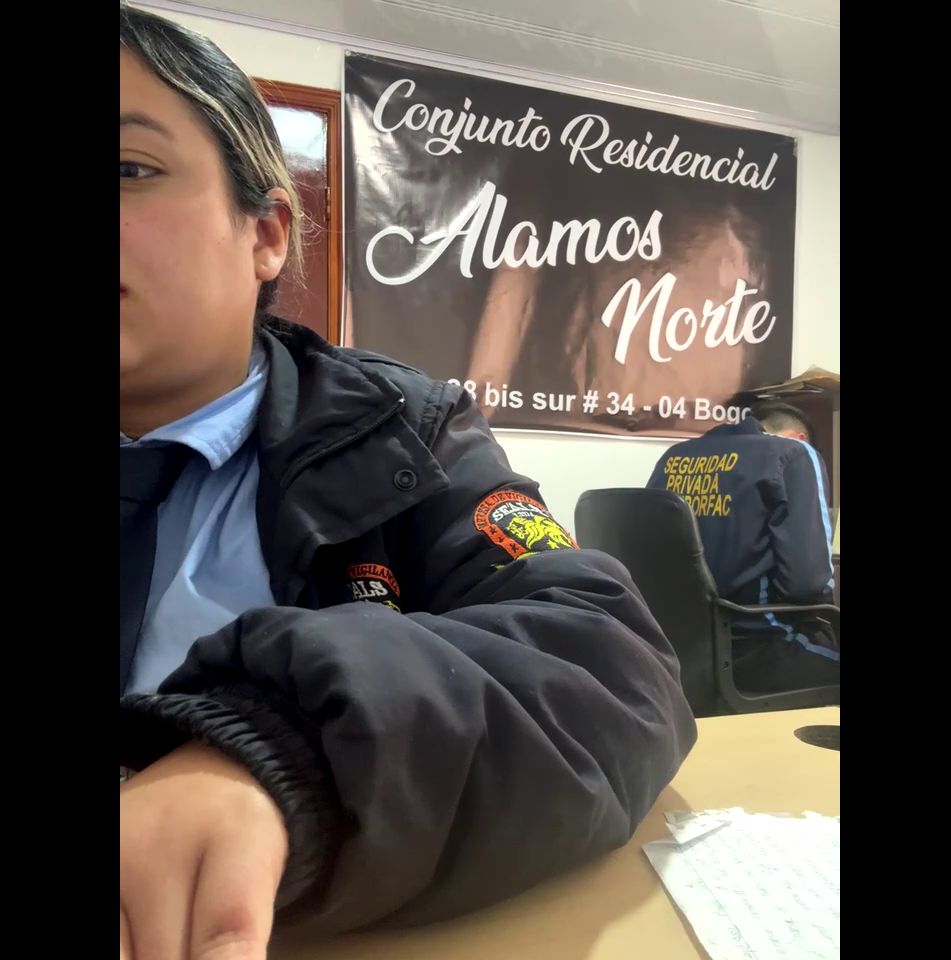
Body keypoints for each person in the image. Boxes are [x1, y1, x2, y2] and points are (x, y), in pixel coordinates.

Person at [119, 6, 697, 956]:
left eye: (130, 168)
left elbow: (610, 670)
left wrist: (281, 759)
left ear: (266, 235)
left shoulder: (404, 433)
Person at [647, 400, 839, 694]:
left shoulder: (673, 457)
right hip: (760, 646)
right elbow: (807, 585)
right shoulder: (794, 454)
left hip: (674, 654)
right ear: (799, 439)